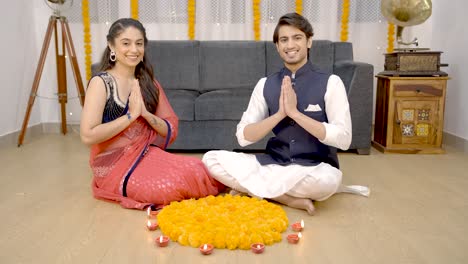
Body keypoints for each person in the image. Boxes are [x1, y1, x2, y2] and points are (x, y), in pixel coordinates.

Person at [202, 13, 369, 215]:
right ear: (277, 46)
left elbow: (344, 139)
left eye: (297, 37)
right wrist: (280, 114)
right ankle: (284, 197)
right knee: (211, 159)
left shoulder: (331, 83)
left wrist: (296, 114)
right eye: (284, 39)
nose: (290, 45)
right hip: (275, 164)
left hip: (313, 169)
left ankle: (254, 189)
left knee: (328, 181)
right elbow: (243, 137)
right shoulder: (265, 84)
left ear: (309, 41)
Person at [80, 18, 224, 210]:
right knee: (167, 188)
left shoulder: (147, 82)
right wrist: (130, 116)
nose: (134, 49)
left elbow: (169, 128)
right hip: (113, 167)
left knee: (197, 169)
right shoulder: (101, 83)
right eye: (126, 43)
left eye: (139, 43)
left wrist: (146, 115)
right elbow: (88, 135)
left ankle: (244, 186)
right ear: (111, 45)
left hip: (145, 154)